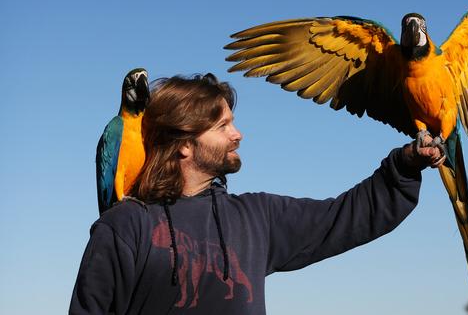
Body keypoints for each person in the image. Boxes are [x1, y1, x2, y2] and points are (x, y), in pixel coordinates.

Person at [70, 73, 445, 314]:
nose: (238, 135)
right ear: (184, 144)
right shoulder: (124, 227)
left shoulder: (256, 218)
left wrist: (405, 166)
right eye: (223, 126)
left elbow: (347, 216)